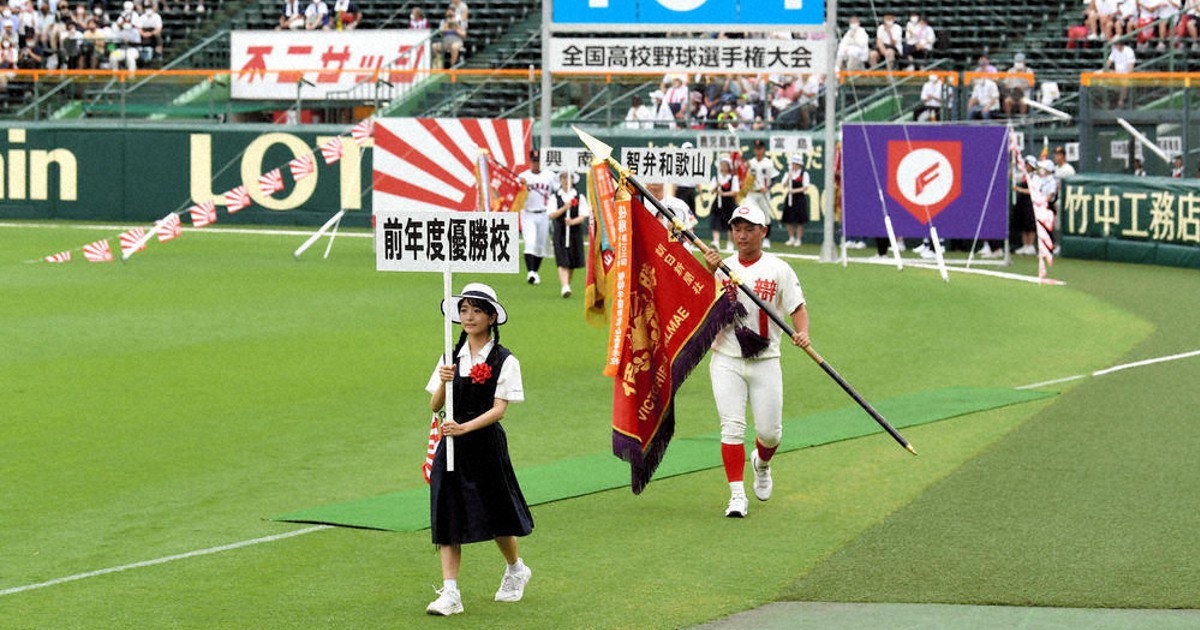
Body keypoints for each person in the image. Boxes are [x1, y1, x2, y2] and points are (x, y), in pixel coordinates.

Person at [424, 283, 533, 616]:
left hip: (484, 443)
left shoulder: (504, 359)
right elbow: (434, 404)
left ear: (490, 317)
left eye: (476, 311)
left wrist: (465, 428)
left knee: (497, 512)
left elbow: (500, 409)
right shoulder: (449, 354)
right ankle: (451, 593)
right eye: (464, 310)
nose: (468, 317)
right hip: (451, 444)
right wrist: (444, 379)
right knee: (446, 512)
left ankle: (516, 568)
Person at [701, 205, 809, 518]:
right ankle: (737, 495)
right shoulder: (721, 266)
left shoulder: (779, 269)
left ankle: (761, 464)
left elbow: (797, 307)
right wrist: (708, 271)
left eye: (750, 229)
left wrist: (803, 333)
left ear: (763, 231)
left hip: (766, 359)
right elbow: (701, 301)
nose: (742, 235)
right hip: (726, 358)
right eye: (737, 229)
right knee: (731, 427)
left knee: (771, 432)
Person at [517, 148, 559, 286]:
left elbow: (558, 189)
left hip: (544, 214)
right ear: (530, 162)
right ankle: (530, 272)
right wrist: (521, 184)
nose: (536, 164)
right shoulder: (523, 176)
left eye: (538, 161)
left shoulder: (549, 175)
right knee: (530, 243)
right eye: (534, 161)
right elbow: (515, 192)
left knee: (540, 246)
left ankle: (535, 272)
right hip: (528, 213)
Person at [549, 170, 588, 298]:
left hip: (574, 232)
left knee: (572, 261)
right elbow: (552, 214)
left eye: (568, 178)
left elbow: (583, 215)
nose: (566, 180)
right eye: (563, 178)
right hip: (560, 231)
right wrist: (564, 209)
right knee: (562, 260)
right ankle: (565, 286)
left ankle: (567, 284)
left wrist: (572, 222)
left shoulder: (579, 196)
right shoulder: (555, 197)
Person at [744, 139, 778, 248]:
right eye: (756, 149)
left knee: (766, 216)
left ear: (763, 149)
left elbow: (774, 179)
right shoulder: (750, 162)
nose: (758, 151)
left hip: (763, 193)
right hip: (752, 192)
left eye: (760, 149)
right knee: (750, 214)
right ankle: (750, 238)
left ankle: (766, 239)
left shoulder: (768, 163)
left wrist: (767, 188)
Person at [710, 156, 739, 251]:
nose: (723, 166)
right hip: (718, 202)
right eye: (722, 164)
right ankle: (716, 241)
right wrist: (717, 186)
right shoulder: (717, 177)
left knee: (730, 223)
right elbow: (711, 191)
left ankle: (730, 243)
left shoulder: (733, 178)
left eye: (725, 165)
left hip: (729, 203)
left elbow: (735, 191)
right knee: (716, 221)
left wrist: (724, 194)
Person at [782, 154, 810, 246]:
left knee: (799, 220)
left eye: (796, 164)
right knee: (789, 219)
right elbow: (784, 185)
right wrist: (789, 177)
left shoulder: (804, 174)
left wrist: (794, 191)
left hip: (799, 198)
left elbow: (805, 187)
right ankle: (791, 238)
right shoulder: (788, 173)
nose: (795, 165)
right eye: (793, 163)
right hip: (790, 198)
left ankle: (798, 239)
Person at [1105, 39, 1136, 107]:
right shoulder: (1115, 51)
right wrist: (1105, 71)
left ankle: (1120, 102)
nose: (1115, 46)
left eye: (1116, 44)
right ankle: (1106, 101)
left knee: (1124, 81)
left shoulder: (1129, 51)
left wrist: (1127, 75)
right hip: (1116, 73)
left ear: (1120, 44)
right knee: (1098, 74)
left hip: (1126, 74)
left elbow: (1131, 67)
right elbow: (1108, 63)